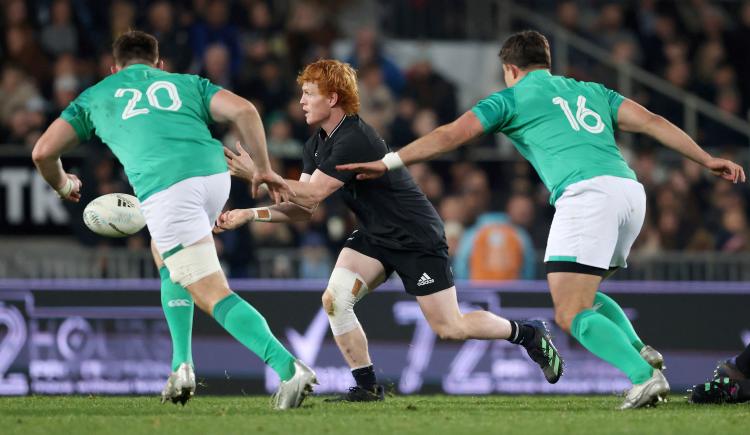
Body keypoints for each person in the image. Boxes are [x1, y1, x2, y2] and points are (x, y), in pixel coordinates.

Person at [335, 30, 746, 409]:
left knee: (568, 312)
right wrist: (706, 159)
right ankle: (639, 349)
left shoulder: (510, 99)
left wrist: (389, 162)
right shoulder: (591, 91)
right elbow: (652, 123)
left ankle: (643, 376)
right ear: (546, 62)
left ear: (510, 69)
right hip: (629, 192)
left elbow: (449, 135)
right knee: (585, 293)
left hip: (587, 196)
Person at [215, 59, 564, 402]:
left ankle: (528, 333)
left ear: (333, 98)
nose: (301, 101)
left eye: (309, 93)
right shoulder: (316, 144)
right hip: (374, 234)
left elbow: (313, 193)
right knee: (334, 299)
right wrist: (251, 213)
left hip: (415, 236)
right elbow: (304, 209)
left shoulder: (354, 137)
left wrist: (260, 175)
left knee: (449, 327)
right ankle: (367, 387)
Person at [30, 30, 316, 410]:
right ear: (158, 64)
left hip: (168, 187)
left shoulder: (96, 96)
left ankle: (288, 368)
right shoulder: (185, 83)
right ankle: (181, 366)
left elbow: (42, 153)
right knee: (164, 254)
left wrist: (64, 185)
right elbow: (245, 110)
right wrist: (262, 168)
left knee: (211, 292)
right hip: (216, 176)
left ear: (114, 68)